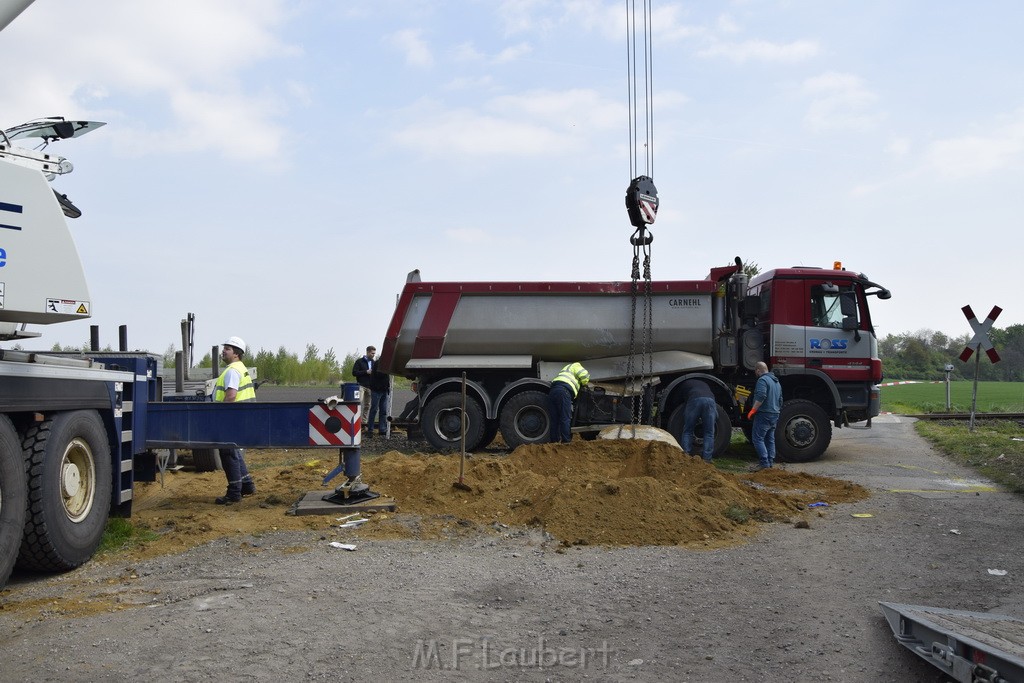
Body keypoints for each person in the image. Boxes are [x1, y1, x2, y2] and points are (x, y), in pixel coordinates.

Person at [213, 336, 257, 505]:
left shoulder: (232, 371)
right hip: (241, 418)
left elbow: (231, 395)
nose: (223, 351)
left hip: (231, 418)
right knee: (235, 452)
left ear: (237, 354)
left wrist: (222, 415)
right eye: (224, 347)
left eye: (228, 349)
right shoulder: (240, 368)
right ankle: (247, 485)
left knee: (228, 453)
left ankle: (234, 493)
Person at [747, 361, 783, 471]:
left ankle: (764, 463)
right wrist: (776, 410)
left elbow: (761, 396)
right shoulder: (776, 382)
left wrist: (753, 410)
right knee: (770, 438)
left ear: (758, 370)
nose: (756, 374)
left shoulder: (762, 380)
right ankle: (770, 463)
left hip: (764, 413)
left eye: (756, 372)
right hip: (775, 413)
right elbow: (780, 400)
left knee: (758, 439)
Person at [547, 362, 590, 443]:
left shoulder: (566, 368)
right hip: (564, 391)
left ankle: (553, 442)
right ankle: (566, 442)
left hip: (553, 391)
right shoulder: (577, 366)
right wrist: (584, 383)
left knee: (554, 419)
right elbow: (584, 376)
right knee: (565, 418)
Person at [678, 377, 717, 461]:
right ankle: (707, 459)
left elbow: (678, 399)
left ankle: (686, 456)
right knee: (709, 433)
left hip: (695, 399)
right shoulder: (704, 384)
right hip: (710, 401)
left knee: (688, 430)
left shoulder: (684, 384)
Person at [352, 346, 377, 432]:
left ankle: (364, 424)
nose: (373, 355)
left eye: (374, 353)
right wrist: (366, 372)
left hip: (370, 387)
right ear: (367, 352)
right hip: (361, 386)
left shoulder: (374, 363)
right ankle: (355, 423)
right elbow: (354, 373)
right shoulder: (359, 362)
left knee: (367, 405)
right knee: (358, 404)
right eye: (372, 353)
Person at [367, 365, 391, 438]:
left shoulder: (385, 364)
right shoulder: (379, 364)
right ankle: (370, 430)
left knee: (383, 411)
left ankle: (382, 429)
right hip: (376, 390)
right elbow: (379, 374)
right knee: (374, 409)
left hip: (384, 390)